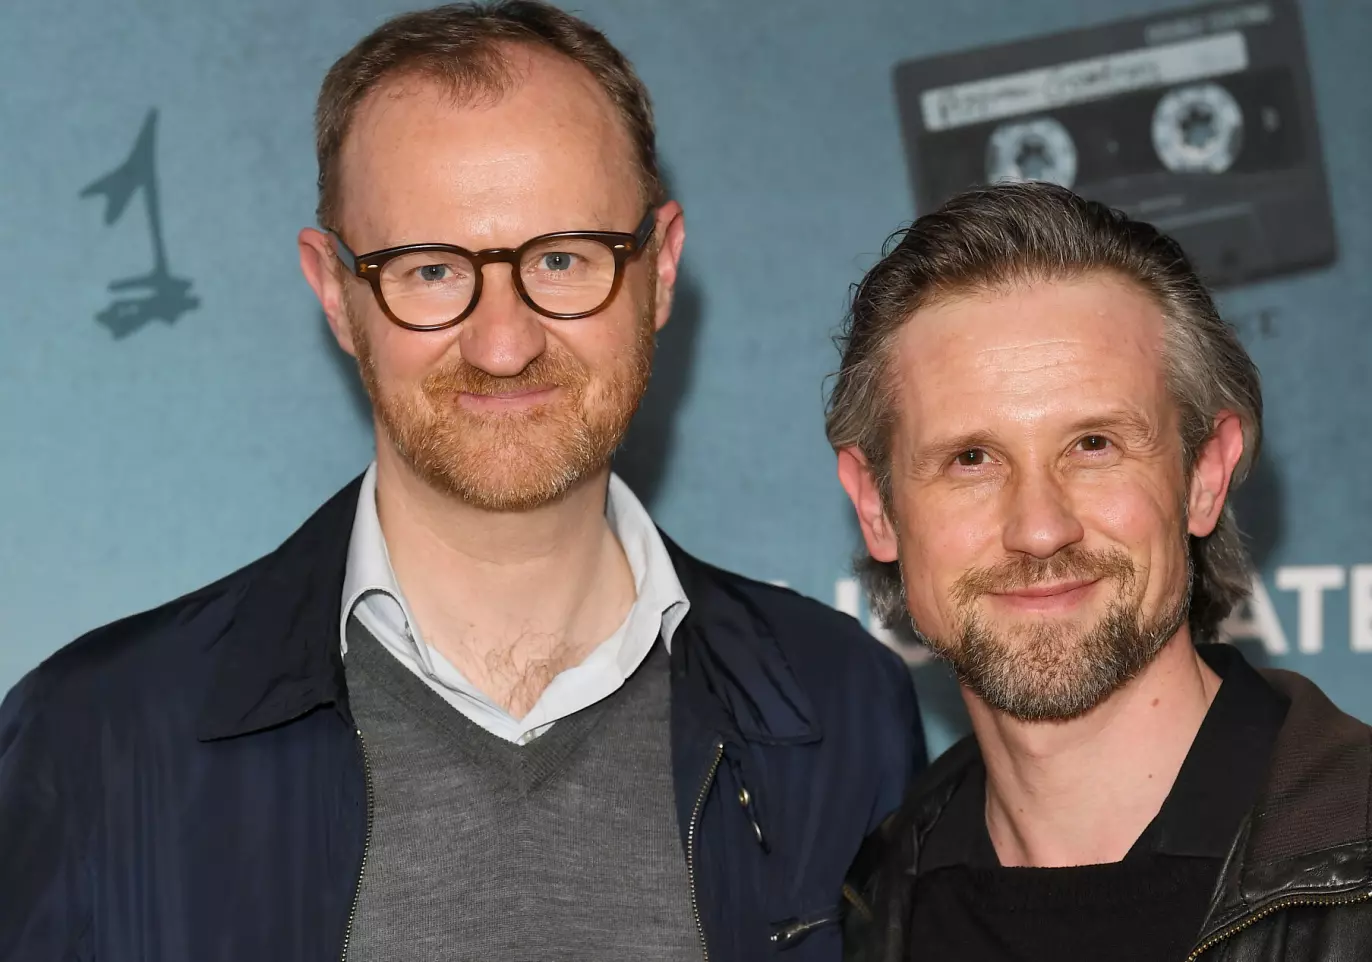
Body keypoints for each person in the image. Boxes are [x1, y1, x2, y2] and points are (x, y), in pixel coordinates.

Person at [0, 3, 925, 960]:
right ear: (335, 291)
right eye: (432, 270)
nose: (503, 342)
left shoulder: (840, 705)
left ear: (661, 269)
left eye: (564, 259)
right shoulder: (96, 740)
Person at [829, 182, 1372, 962]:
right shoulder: (849, 912)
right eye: (971, 459)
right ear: (877, 507)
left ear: (1205, 475)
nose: (1040, 529)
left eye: (1094, 446)